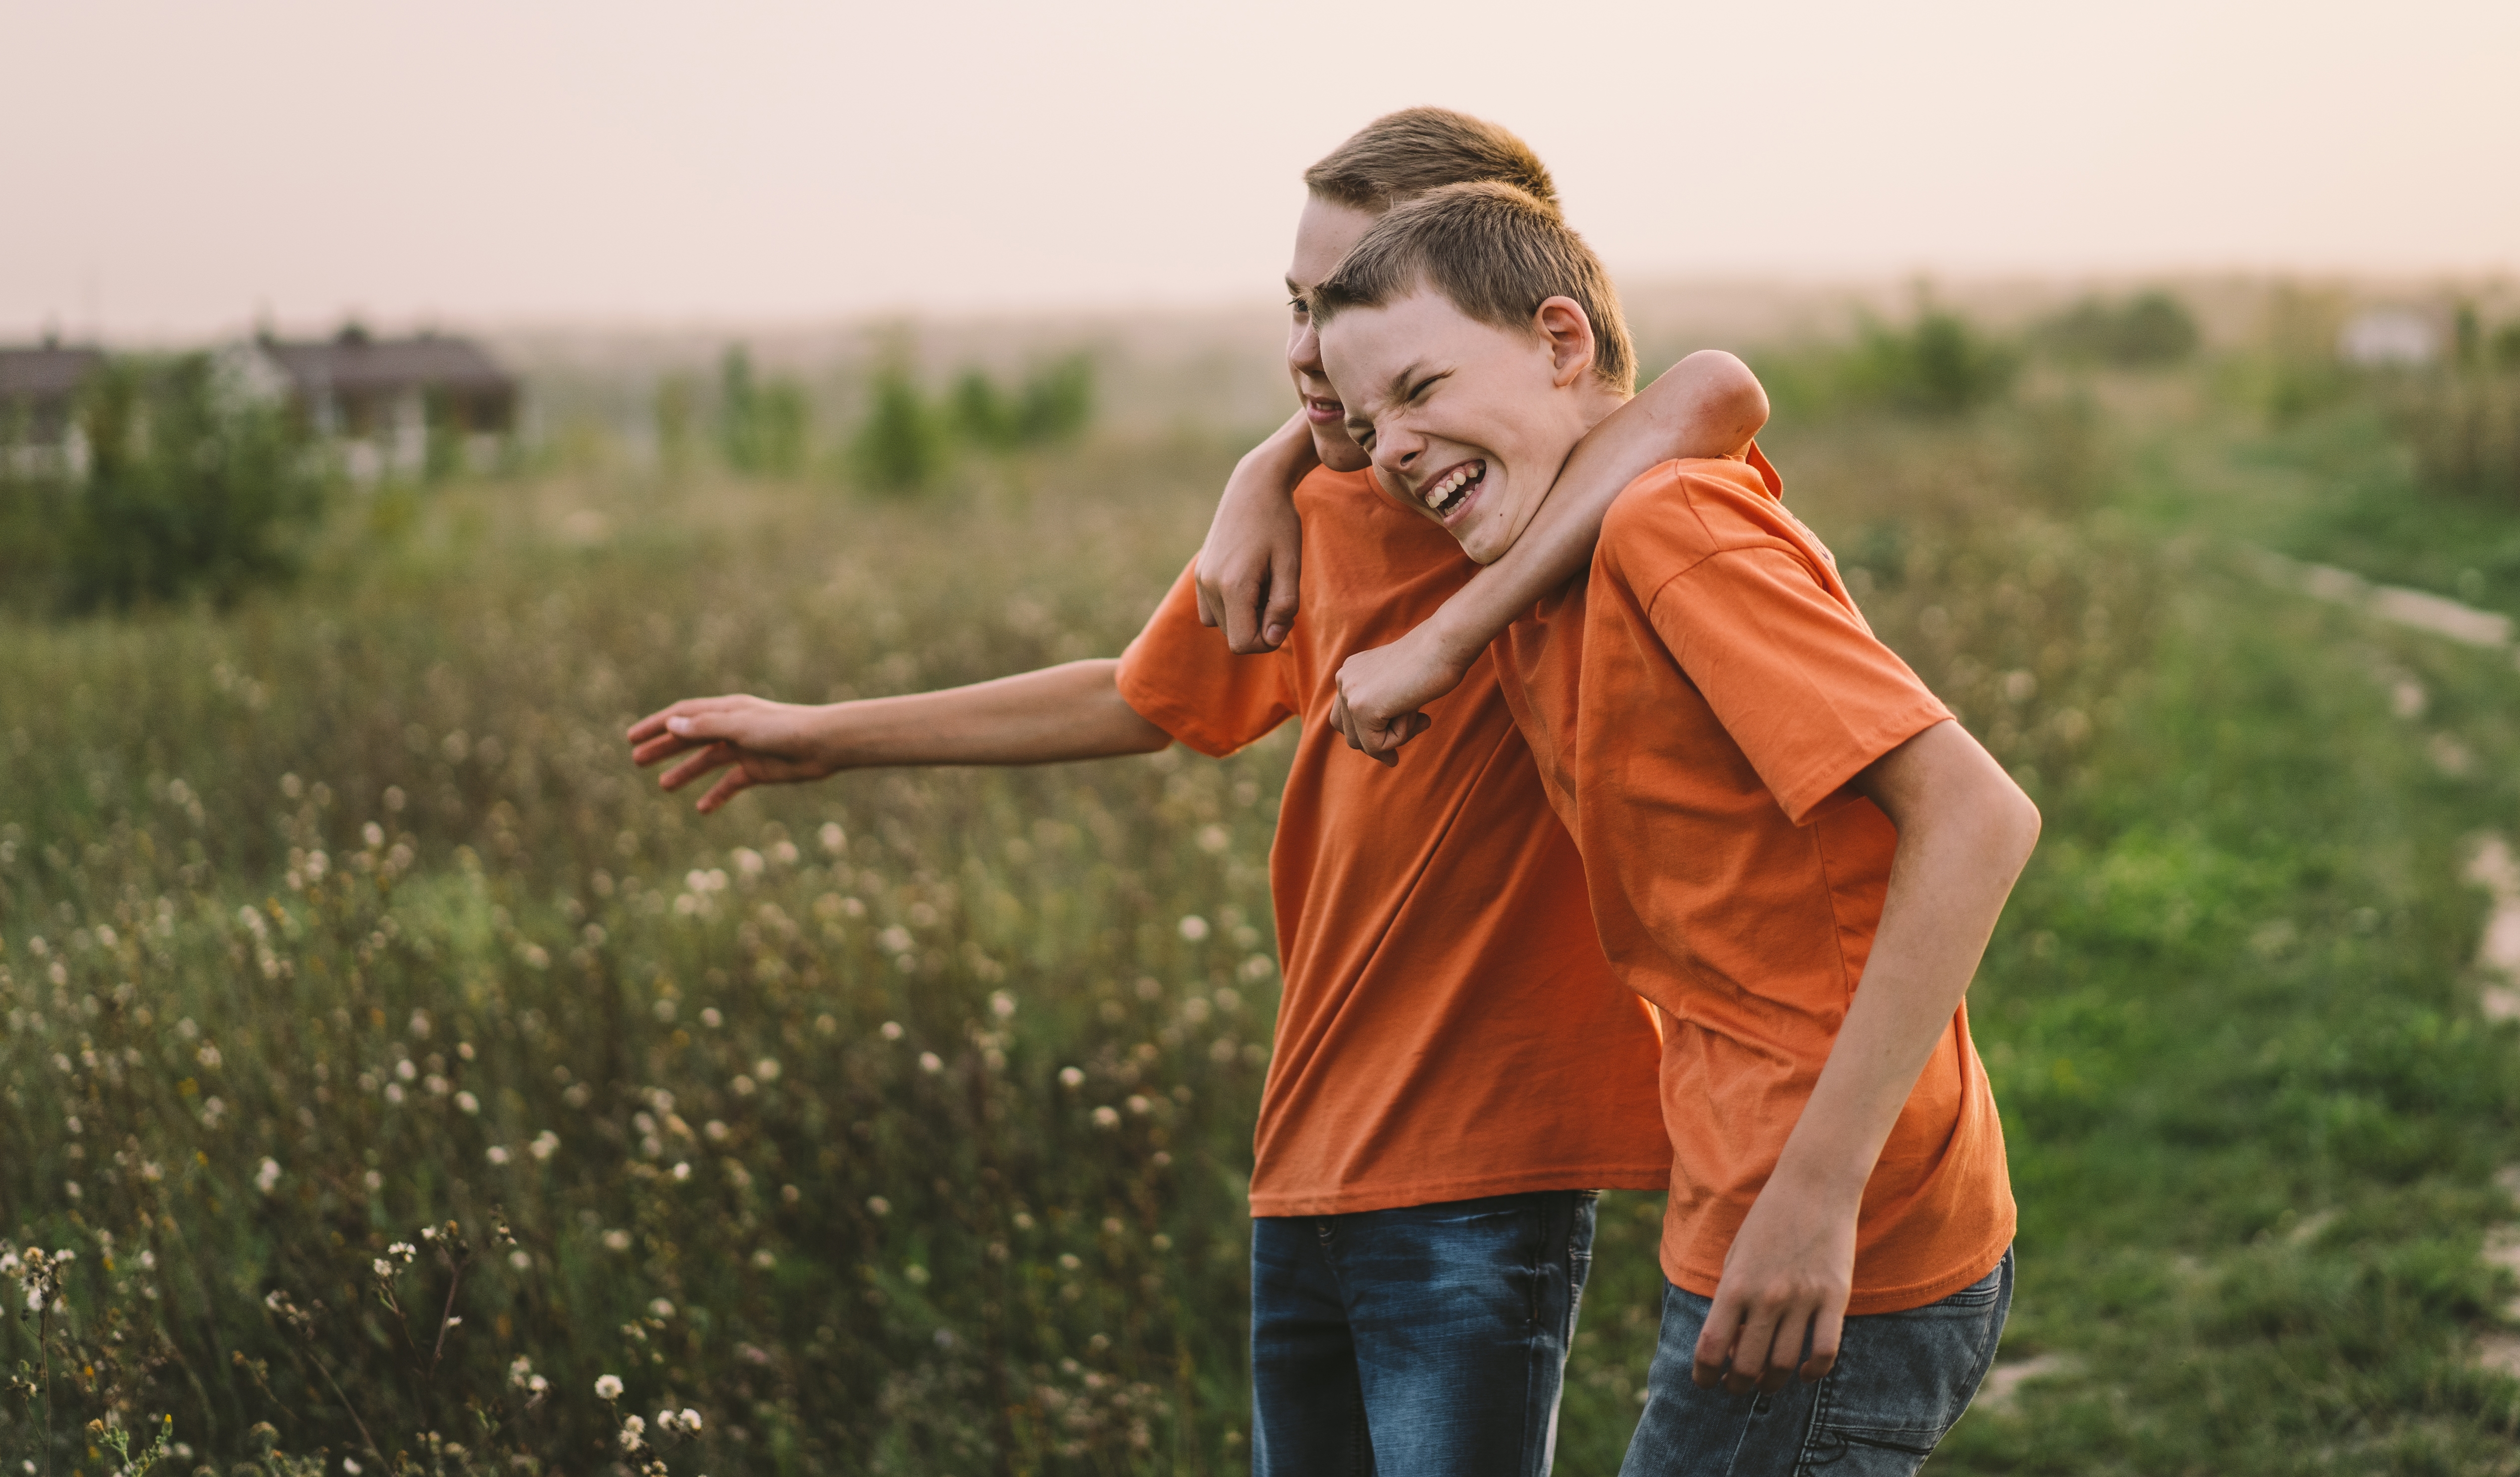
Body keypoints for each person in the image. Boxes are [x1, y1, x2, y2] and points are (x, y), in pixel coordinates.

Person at [626, 109, 1771, 1476]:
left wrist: (1306, 487)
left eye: (1350, 309)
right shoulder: (1342, 516)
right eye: (1299, 308)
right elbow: (1142, 693)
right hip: (1305, 1154)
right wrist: (829, 736)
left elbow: (1710, 388)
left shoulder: (1570, 489)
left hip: (1482, 1168)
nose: (1307, 351)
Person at [1308, 180, 2040, 1475]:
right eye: (1368, 427)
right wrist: (1272, 476)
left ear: (1562, 343)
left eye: (1422, 389)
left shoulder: (1666, 528)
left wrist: (1814, 1197)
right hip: (1761, 1198)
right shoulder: (1538, 565)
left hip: (1825, 1231)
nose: (1396, 448)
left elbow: (1978, 815)